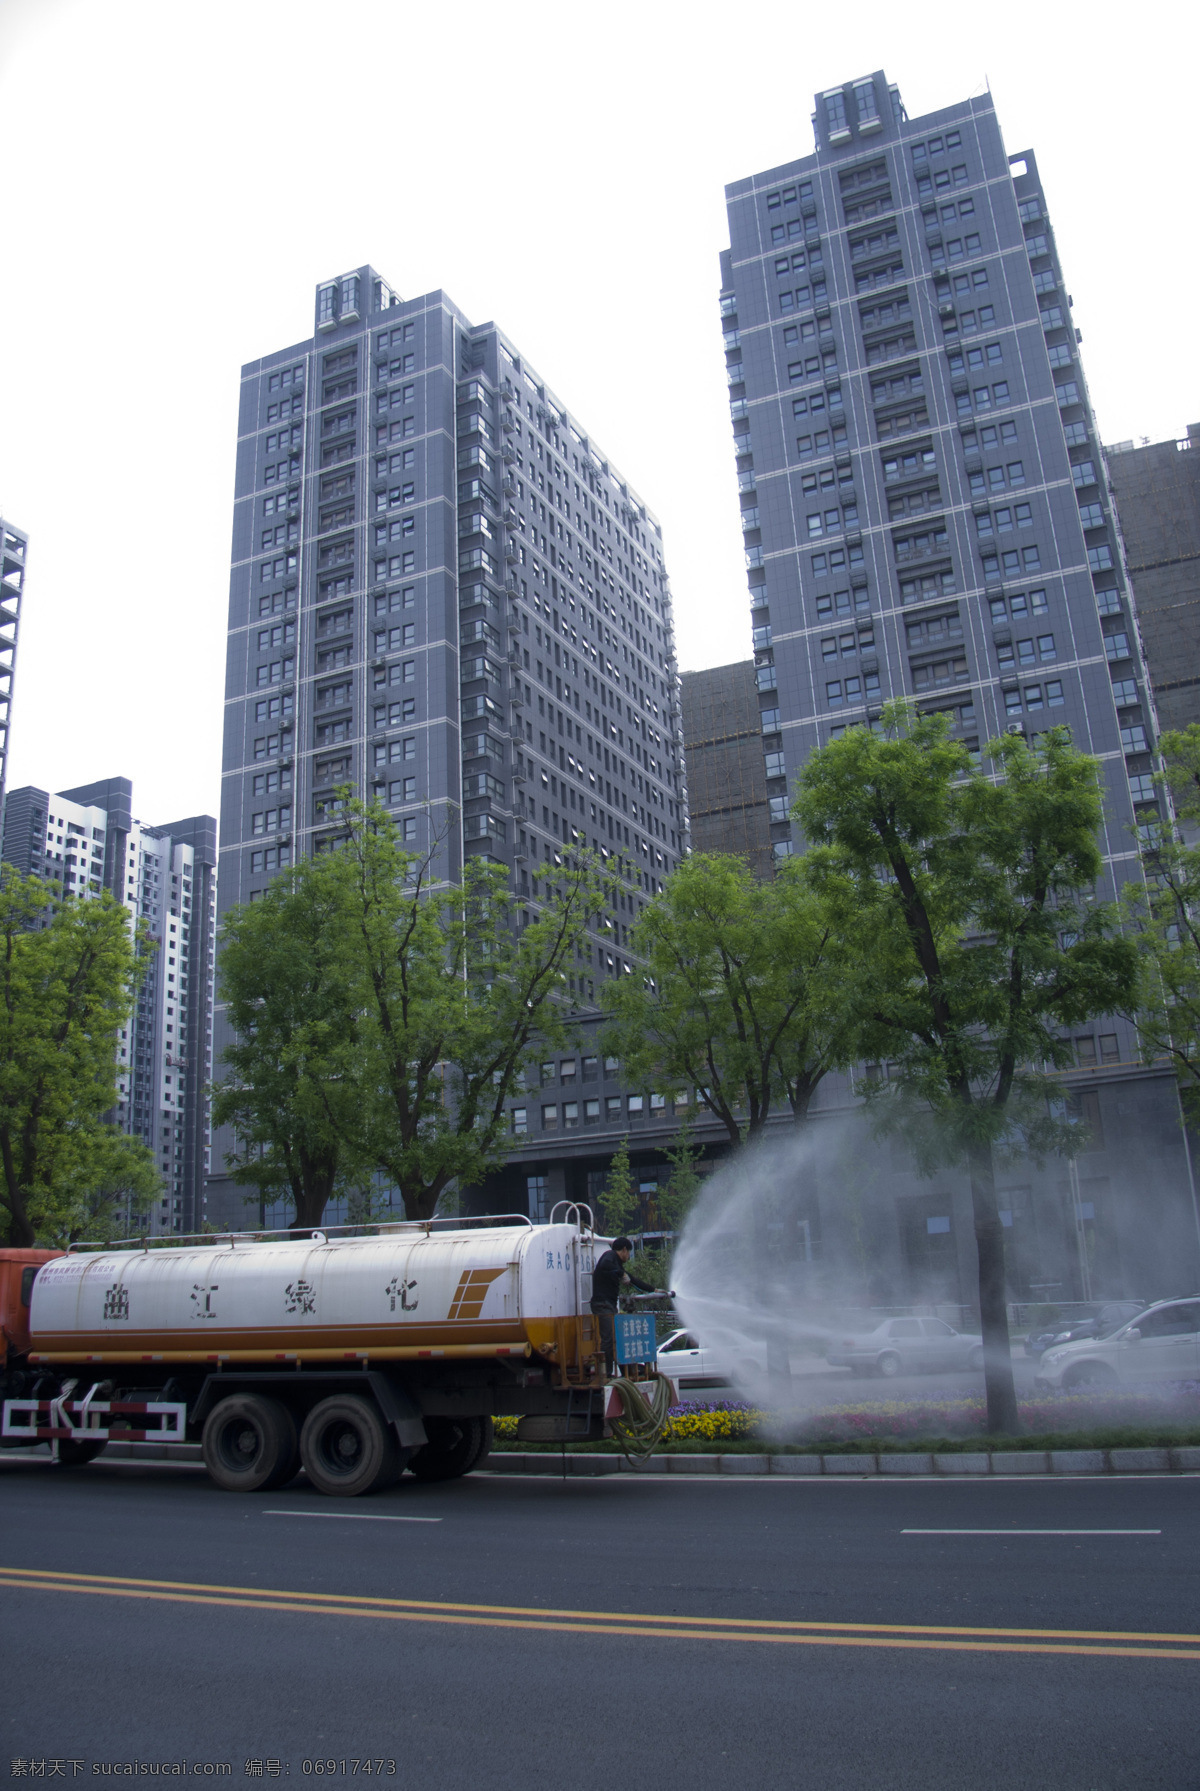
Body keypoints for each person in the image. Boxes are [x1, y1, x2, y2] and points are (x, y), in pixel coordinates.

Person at [590, 1236, 656, 1375]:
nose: (628, 1256)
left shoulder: (617, 1264)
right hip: (602, 1304)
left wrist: (653, 1290)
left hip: (609, 1305)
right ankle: (606, 1373)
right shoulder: (609, 1256)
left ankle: (627, 1371)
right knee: (608, 1339)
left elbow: (633, 1279)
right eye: (629, 1253)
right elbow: (605, 1265)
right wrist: (621, 1274)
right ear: (624, 1250)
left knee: (616, 1339)